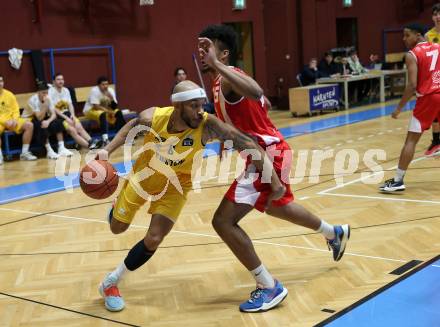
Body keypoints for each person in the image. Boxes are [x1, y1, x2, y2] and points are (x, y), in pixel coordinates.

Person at [96, 80, 285, 312]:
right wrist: (108, 150)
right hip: (144, 177)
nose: (200, 111)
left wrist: (274, 180)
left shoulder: (207, 125)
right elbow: (131, 126)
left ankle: (111, 282)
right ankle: (117, 208)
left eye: (201, 104)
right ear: (177, 106)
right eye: (193, 106)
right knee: (117, 228)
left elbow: (246, 142)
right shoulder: (153, 117)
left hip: (177, 185)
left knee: (154, 238)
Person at [198, 24, 350, 312]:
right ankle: (334, 233)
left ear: (224, 54)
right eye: (201, 47)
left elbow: (257, 92)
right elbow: (258, 107)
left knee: (223, 221)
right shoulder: (220, 82)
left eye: (209, 47)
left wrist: (218, 65)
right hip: (270, 152)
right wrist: (225, 138)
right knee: (277, 206)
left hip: (267, 156)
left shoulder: (231, 77)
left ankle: (269, 286)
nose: (203, 52)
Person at [380, 23, 437, 192]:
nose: (404, 39)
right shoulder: (438, 47)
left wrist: (398, 108)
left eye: (407, 35)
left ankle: (398, 181)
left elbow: (412, 86)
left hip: (428, 99)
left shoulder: (412, 54)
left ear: (418, 35)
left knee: (411, 140)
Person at [49, 73, 99, 151]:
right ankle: (90, 146)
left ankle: (91, 141)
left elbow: (70, 104)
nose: (61, 81)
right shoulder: (50, 92)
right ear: (54, 81)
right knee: (72, 130)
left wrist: (72, 115)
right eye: (58, 79)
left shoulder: (66, 90)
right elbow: (54, 109)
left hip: (67, 114)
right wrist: (66, 118)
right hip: (57, 117)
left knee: (79, 126)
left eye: (62, 79)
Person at [22, 82, 65, 159]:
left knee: (57, 122)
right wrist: (45, 105)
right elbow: (39, 118)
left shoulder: (48, 97)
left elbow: (54, 114)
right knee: (41, 124)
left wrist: (48, 121)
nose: (45, 95)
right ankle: (49, 150)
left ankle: (61, 148)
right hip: (28, 119)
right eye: (43, 93)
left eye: (47, 92)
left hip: (41, 117)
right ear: (38, 92)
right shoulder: (33, 100)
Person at [0, 75, 37, 164]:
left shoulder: (9, 94)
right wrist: (5, 122)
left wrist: (15, 120)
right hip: (1, 121)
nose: (0, 83)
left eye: (1, 81)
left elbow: (16, 109)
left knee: (29, 125)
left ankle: (24, 153)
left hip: (12, 121)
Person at [83, 76, 126, 147]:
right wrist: (108, 112)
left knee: (118, 112)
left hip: (105, 110)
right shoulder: (95, 90)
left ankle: (120, 137)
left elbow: (114, 107)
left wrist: (111, 97)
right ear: (99, 85)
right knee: (102, 114)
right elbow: (95, 106)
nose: (105, 86)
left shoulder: (110, 90)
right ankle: (105, 139)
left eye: (106, 84)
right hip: (90, 110)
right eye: (103, 84)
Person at [423, 3, 440, 156]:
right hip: (435, 78)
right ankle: (436, 141)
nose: (438, 17)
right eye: (435, 14)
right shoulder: (428, 36)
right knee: (435, 111)